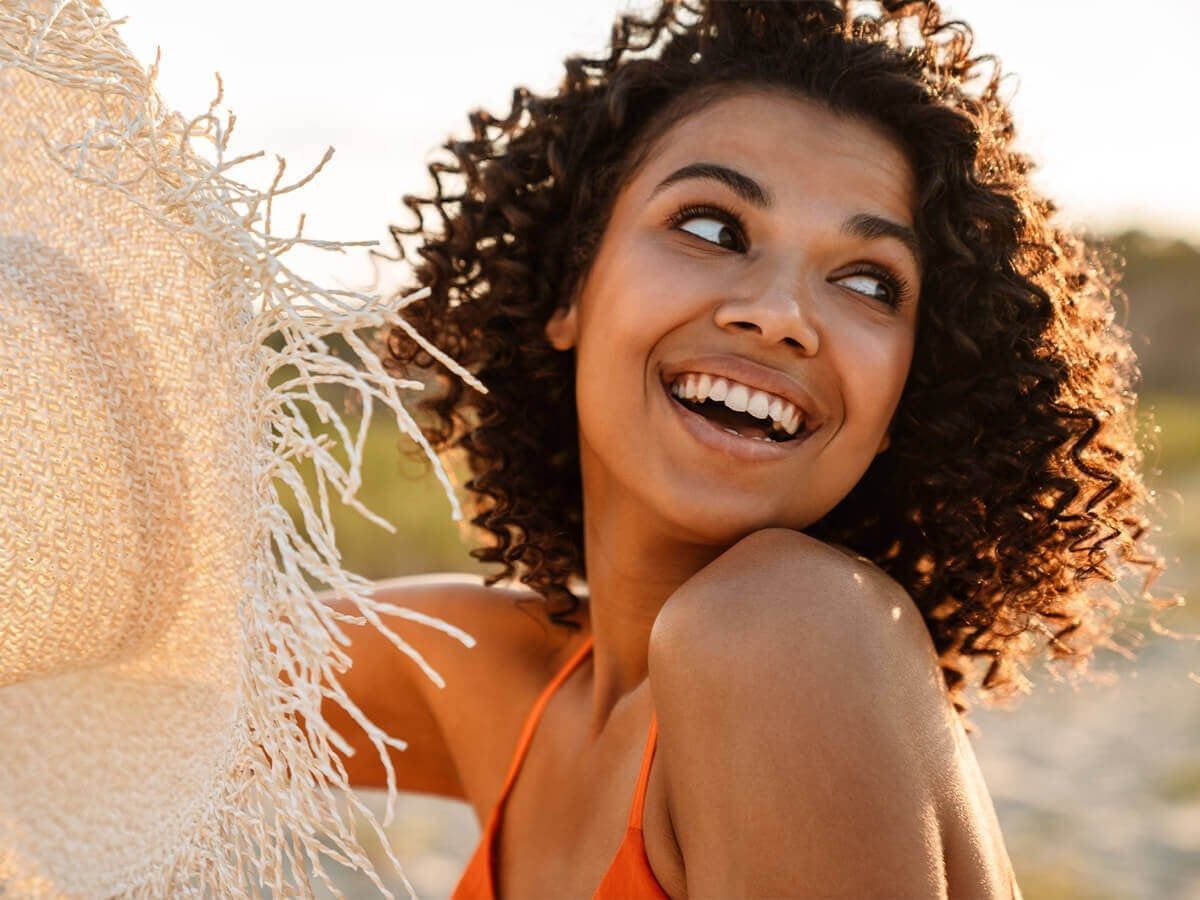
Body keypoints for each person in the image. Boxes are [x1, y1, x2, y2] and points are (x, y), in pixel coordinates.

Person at [321, 1, 1166, 896]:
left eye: (870, 282)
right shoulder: (498, 676)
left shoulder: (789, 632)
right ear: (571, 289)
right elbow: (174, 671)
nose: (780, 315)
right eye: (714, 228)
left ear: (901, 401)